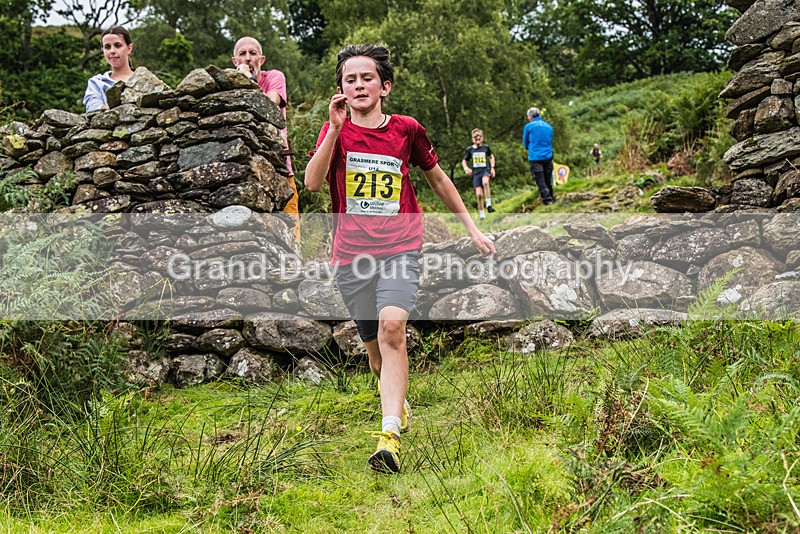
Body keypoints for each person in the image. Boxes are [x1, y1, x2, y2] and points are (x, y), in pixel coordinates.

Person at [305, 44, 495, 474]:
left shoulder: (407, 130)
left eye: (366, 78)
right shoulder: (332, 131)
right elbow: (313, 184)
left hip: (400, 246)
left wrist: (472, 226)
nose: (358, 85)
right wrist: (334, 130)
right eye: (349, 79)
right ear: (341, 90)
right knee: (375, 355)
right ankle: (398, 404)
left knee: (394, 329)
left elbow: (439, 179)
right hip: (351, 257)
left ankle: (388, 436)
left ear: (384, 86)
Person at [232, 36, 300, 241]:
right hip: (242, 168)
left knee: (290, 223)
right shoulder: (229, 83)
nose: (248, 58)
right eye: (242, 54)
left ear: (262, 59)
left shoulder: (274, 77)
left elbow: (269, 106)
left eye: (252, 53)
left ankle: (294, 267)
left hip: (280, 166)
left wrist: (249, 81)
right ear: (234, 61)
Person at [83, 27, 135, 112]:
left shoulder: (146, 79)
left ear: (129, 48)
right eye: (107, 47)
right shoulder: (97, 83)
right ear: (102, 50)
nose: (112, 51)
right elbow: (93, 110)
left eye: (118, 45)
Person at [522, 107, 555, 205]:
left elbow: (525, 143)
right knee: (547, 178)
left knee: (540, 179)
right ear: (539, 115)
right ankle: (551, 196)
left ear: (530, 117)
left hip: (535, 157)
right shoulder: (549, 126)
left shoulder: (529, 127)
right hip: (548, 156)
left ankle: (547, 200)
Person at [462, 128, 496, 219]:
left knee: (485, 182)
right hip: (476, 173)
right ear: (472, 139)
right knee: (479, 194)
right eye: (475, 137)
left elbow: (491, 156)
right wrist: (466, 168)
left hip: (485, 170)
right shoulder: (470, 150)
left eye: (479, 137)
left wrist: (492, 168)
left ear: (482, 137)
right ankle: (482, 213)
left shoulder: (486, 147)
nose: (478, 138)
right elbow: (464, 160)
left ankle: (488, 204)